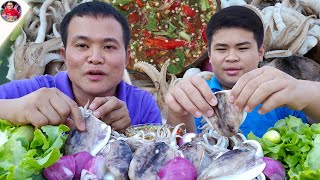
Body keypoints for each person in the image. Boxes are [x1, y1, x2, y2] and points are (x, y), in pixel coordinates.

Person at [0, 1, 162, 132]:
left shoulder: (143, 105)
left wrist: (128, 134)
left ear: (127, 58)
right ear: (64, 55)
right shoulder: (33, 92)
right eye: (82, 45)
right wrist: (16, 108)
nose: (95, 58)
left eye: (109, 47)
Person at [165, 5, 320, 137]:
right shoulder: (196, 95)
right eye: (221, 49)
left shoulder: (281, 91)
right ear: (210, 56)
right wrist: (178, 114)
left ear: (260, 53)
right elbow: (181, 150)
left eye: (242, 48)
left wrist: (303, 90)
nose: (231, 57)